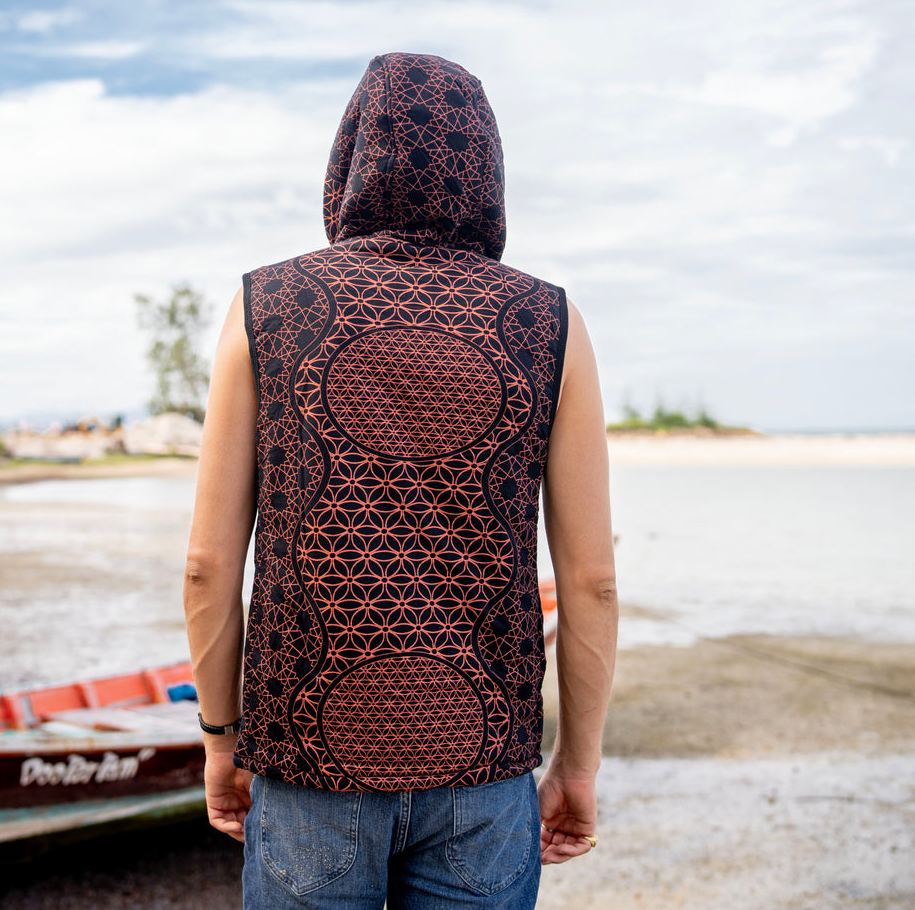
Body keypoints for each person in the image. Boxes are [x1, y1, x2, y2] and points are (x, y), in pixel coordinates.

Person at [183, 51, 617, 909]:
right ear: (486, 168)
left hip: (304, 758)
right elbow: (593, 583)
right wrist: (576, 762)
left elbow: (205, 567)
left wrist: (218, 736)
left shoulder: (266, 305)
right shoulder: (549, 320)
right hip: (482, 768)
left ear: (349, 158)